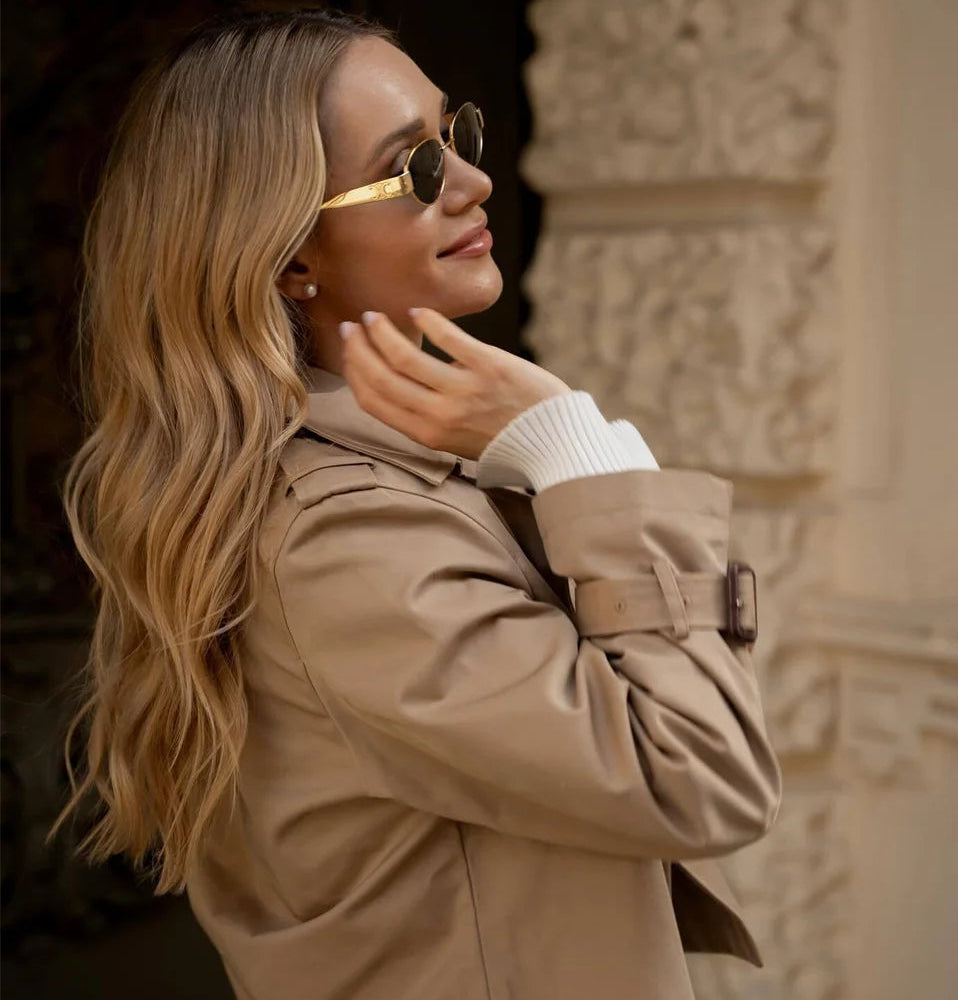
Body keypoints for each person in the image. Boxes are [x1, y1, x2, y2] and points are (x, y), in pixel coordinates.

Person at [52, 9, 783, 1000]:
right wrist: (585, 466)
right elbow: (701, 777)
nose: (474, 181)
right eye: (416, 167)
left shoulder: (385, 483)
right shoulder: (347, 539)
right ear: (291, 257)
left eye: (459, 135)